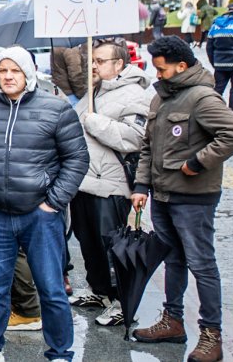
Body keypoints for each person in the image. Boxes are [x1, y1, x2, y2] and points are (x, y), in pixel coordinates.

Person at [0, 46, 88, 362]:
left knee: (51, 289)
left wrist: (53, 202)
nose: (8, 76)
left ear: (29, 74)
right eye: (3, 71)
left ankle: (61, 352)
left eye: (15, 70)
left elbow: (77, 159)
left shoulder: (56, 109)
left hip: (40, 216)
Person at [130, 36, 233, 362]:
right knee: (173, 260)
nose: (158, 75)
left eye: (162, 69)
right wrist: (141, 186)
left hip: (194, 199)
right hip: (163, 195)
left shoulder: (202, 98)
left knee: (202, 265)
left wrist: (198, 162)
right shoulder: (161, 98)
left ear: (181, 66)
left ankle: (212, 335)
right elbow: (147, 147)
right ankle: (173, 320)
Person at [68, 42, 150, 328]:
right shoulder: (94, 91)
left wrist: (95, 122)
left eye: (100, 61)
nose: (94, 66)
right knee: (87, 243)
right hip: (84, 180)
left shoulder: (135, 94)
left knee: (111, 246)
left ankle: (120, 301)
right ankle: (98, 290)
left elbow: (133, 138)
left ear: (119, 64)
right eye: (92, 60)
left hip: (110, 184)